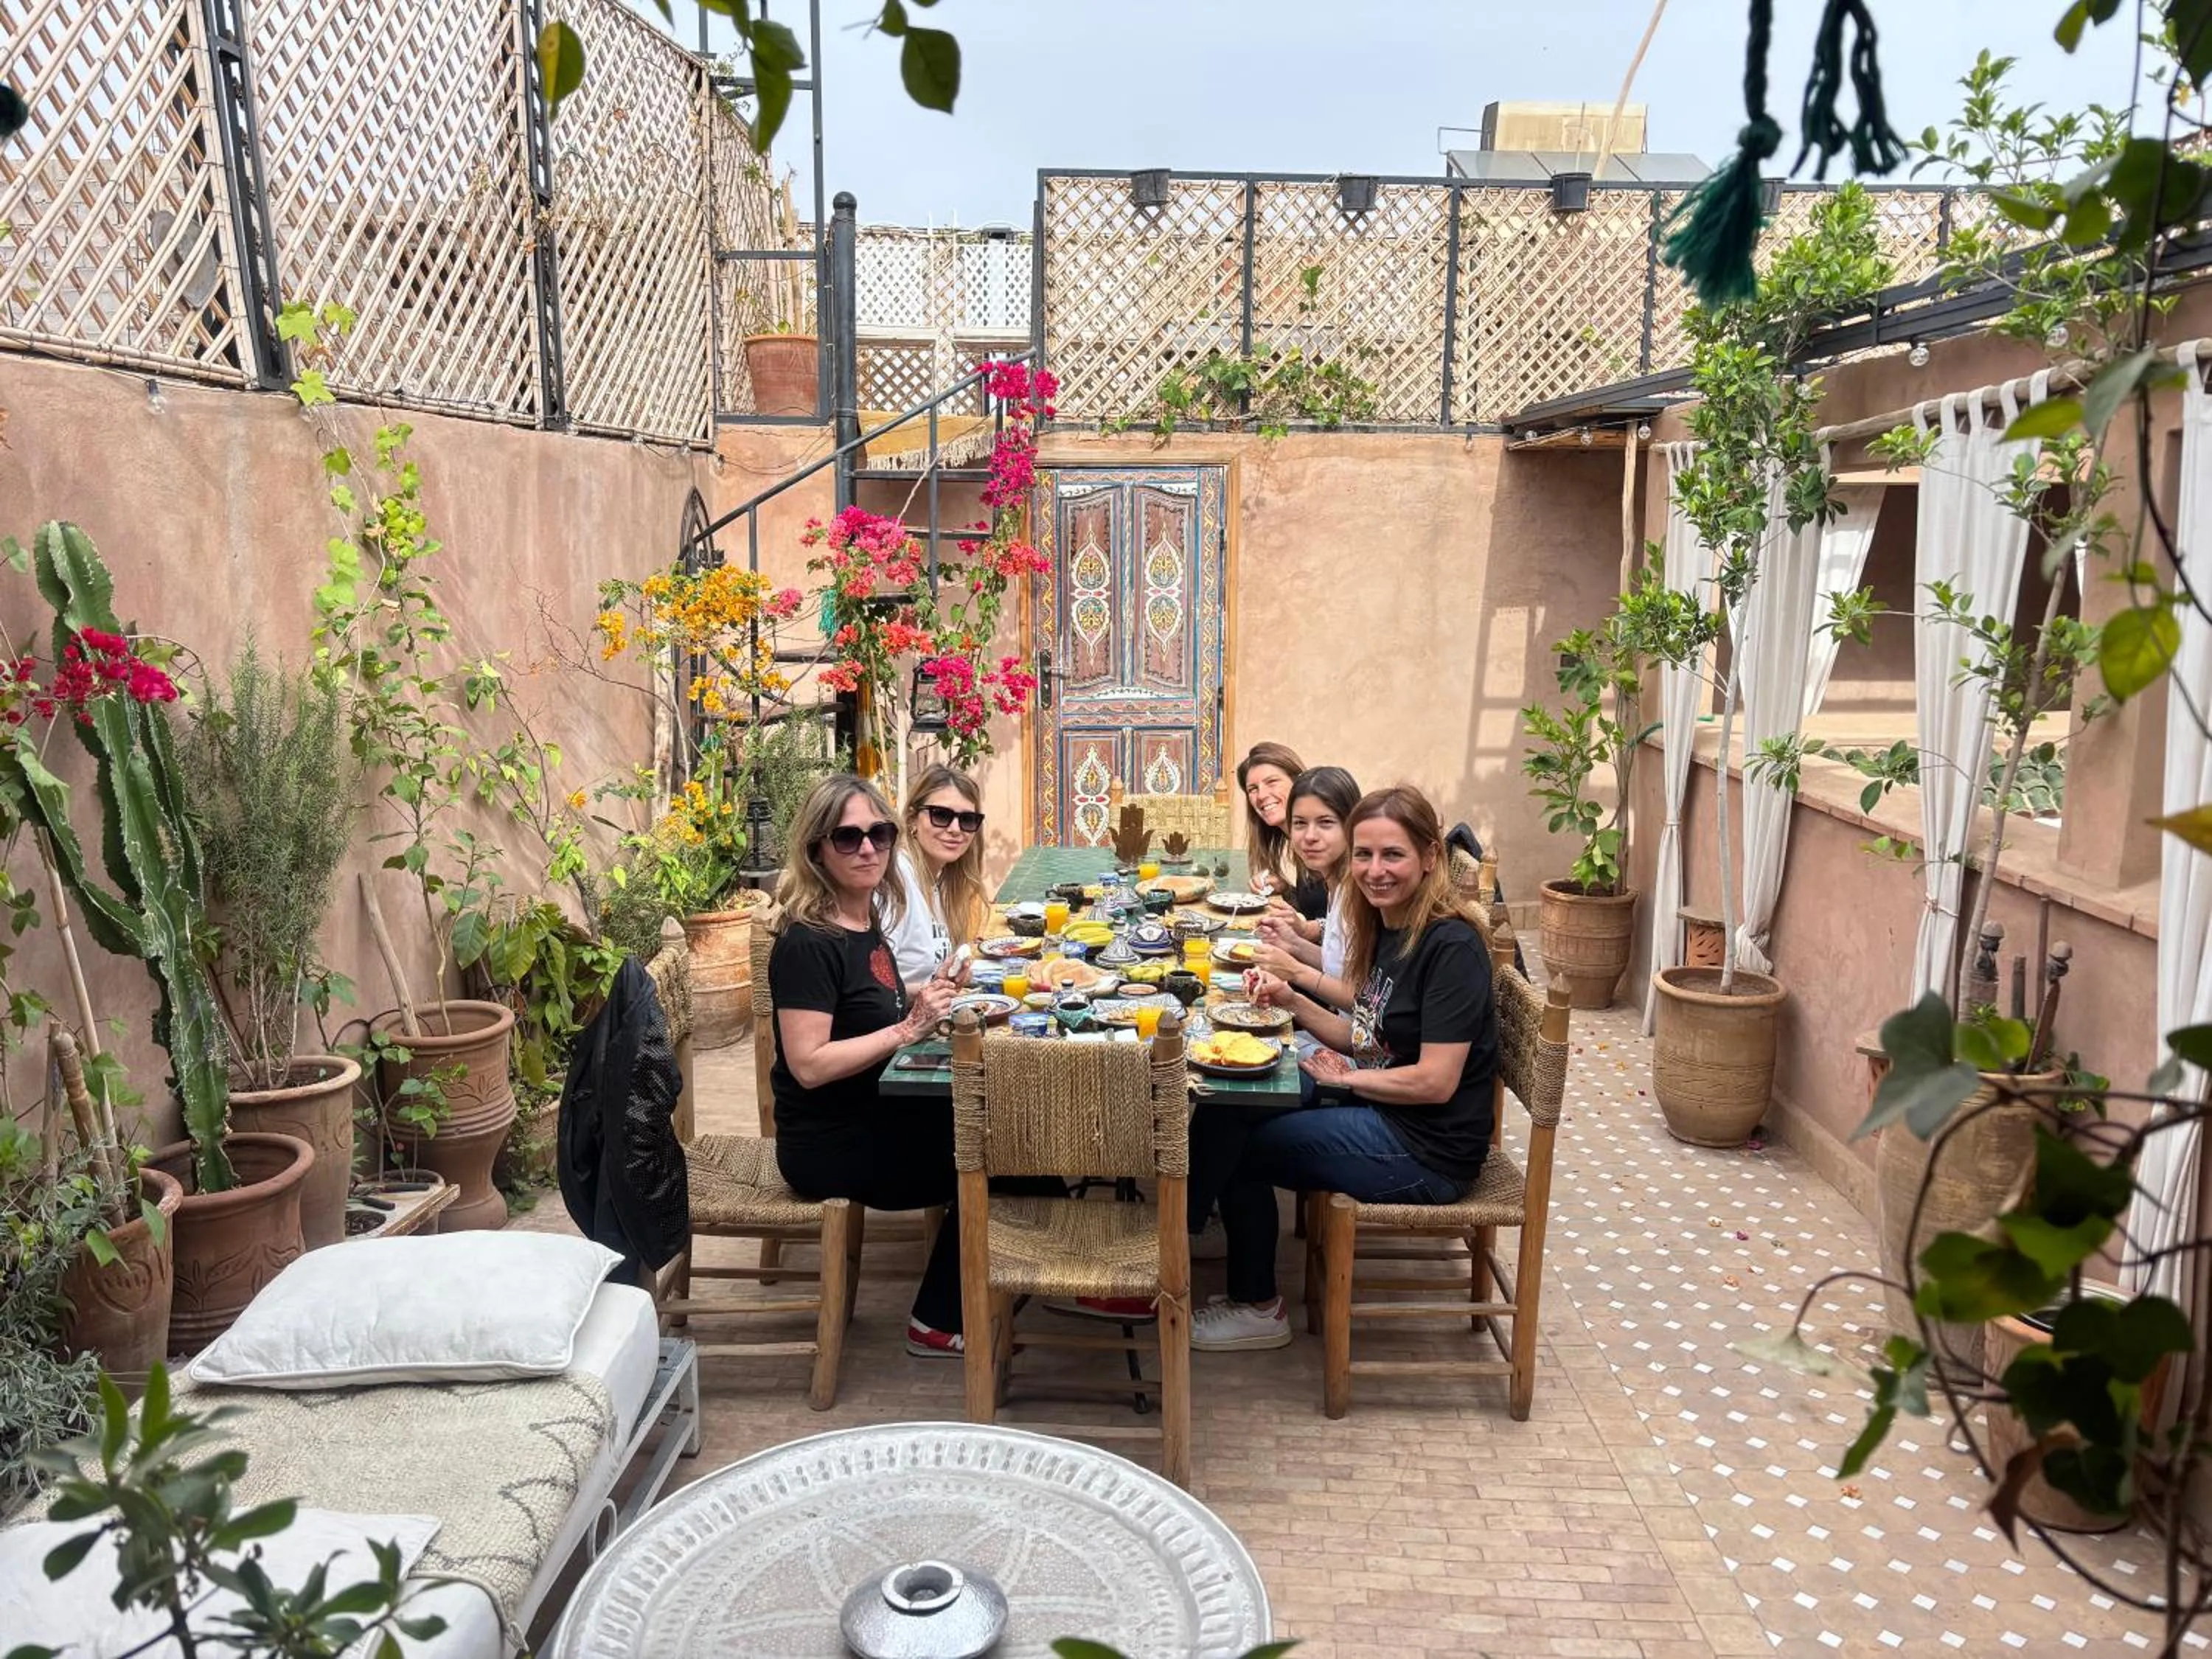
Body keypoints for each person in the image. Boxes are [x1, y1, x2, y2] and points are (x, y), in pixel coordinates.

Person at [1185, 785, 1500, 1353]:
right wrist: (1290, 1000)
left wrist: (1346, 1079)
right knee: (1228, 1106)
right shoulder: (1390, 923)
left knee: (1242, 1151)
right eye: (1364, 855)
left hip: (1427, 1151)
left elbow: (1435, 1082)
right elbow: (1367, 1035)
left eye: (1393, 855)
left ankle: (1254, 1305)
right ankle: (1174, 1241)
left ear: (1430, 856)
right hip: (1387, 1107)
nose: (1375, 871)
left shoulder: (1451, 948)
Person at [765, 773, 964, 1356]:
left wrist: (932, 991)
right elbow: (808, 1064)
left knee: (1013, 1131)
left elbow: (874, 1005)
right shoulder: (808, 942)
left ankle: (1032, 1286)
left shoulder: (863, 917)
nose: (869, 849)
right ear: (817, 850)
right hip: (830, 1143)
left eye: (880, 834)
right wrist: (908, 1029)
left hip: (878, 1113)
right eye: (848, 838)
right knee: (996, 1157)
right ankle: (938, 1318)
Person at [1252, 765, 1361, 1012]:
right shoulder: (1336, 885)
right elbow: (1338, 966)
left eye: (1326, 823)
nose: (1310, 836)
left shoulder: (1361, 894)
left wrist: (1295, 970)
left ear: (1352, 825)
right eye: (1300, 823)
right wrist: (1293, 944)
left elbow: (1365, 1003)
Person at [886, 763, 988, 990]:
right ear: (912, 819)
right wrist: (928, 991)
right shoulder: (896, 880)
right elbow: (873, 990)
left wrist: (945, 981)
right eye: (941, 815)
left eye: (967, 820)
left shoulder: (937, 882)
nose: (955, 829)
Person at [1236, 741, 1306, 900]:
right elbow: (1318, 905)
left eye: (1272, 782)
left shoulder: (1322, 839)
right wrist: (1285, 889)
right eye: (1253, 789)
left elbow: (1344, 912)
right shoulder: (1296, 841)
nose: (1261, 796)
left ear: (1298, 782)